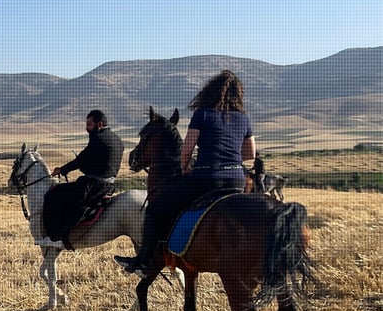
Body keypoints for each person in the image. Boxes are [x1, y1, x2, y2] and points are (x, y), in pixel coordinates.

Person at [117, 70, 256, 275]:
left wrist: (185, 166)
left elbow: (187, 150)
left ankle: (143, 261)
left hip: (206, 179)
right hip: (237, 182)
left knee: (155, 209)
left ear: (209, 92)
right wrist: (231, 162)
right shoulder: (243, 118)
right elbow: (250, 153)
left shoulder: (203, 114)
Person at [40, 110, 123, 249]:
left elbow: (81, 160)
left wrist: (62, 169)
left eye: (89, 124)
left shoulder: (98, 138)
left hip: (92, 185)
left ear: (100, 124)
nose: (87, 128)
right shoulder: (117, 139)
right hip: (109, 186)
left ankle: (54, 237)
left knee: (52, 195)